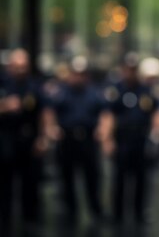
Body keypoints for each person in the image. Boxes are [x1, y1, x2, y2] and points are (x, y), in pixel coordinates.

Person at [43, 56, 114, 224]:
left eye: (82, 74)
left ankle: (95, 209)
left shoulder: (94, 92)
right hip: (67, 139)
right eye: (76, 73)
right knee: (66, 176)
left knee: (93, 176)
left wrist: (104, 132)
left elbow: (105, 113)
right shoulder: (61, 92)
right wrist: (51, 128)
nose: (78, 77)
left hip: (88, 139)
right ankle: (70, 211)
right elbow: (49, 111)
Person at [105, 54, 159, 224]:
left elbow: (157, 112)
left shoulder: (146, 90)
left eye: (133, 69)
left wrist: (157, 131)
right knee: (119, 178)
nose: (130, 73)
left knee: (142, 178)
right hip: (122, 138)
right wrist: (107, 139)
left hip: (141, 137)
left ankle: (139, 212)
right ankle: (117, 213)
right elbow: (109, 115)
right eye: (127, 69)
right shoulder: (116, 90)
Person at [0, 49, 47, 231]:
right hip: (5, 141)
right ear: (10, 66)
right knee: (5, 186)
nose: (21, 70)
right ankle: (6, 223)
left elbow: (44, 112)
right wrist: (5, 106)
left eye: (24, 66)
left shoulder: (33, 86)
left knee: (30, 184)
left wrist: (43, 138)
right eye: (17, 66)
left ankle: (30, 222)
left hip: (29, 140)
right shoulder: (2, 84)